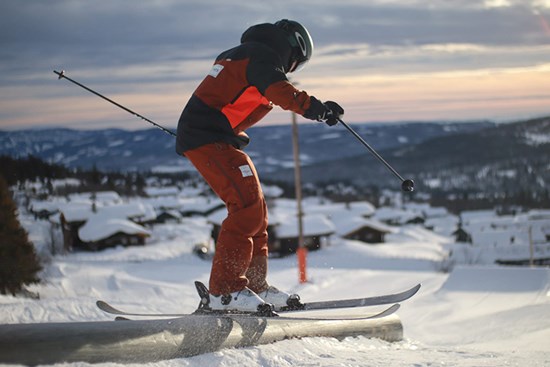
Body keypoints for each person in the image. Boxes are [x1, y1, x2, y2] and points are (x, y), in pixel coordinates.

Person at [176, 19, 344, 313]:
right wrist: (317, 108)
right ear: (293, 50)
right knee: (245, 210)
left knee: (256, 211)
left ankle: (254, 286)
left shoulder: (243, 53)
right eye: (296, 64)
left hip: (215, 138)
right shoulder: (259, 55)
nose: (291, 70)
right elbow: (280, 91)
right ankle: (225, 292)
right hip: (207, 138)